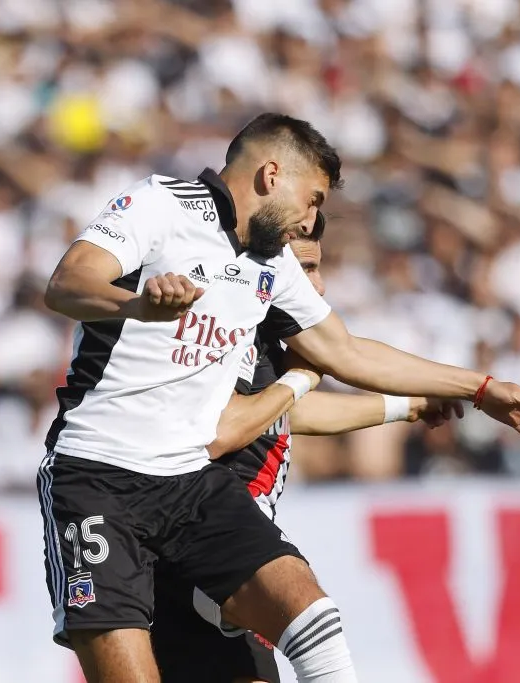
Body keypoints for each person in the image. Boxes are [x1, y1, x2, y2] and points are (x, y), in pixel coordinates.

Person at [40, 112, 520, 683]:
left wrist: (483, 388)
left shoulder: (270, 264)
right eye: (312, 199)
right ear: (272, 175)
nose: (311, 219)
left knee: (313, 616)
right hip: (97, 477)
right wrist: (138, 304)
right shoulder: (158, 204)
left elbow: (347, 352)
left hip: (190, 481)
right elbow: (67, 282)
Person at [151, 221, 461, 683]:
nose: (318, 284)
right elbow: (223, 426)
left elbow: (282, 414)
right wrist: (302, 378)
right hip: (212, 542)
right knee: (318, 632)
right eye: (307, 269)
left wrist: (404, 406)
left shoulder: (263, 340)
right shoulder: (228, 329)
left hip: (207, 556)